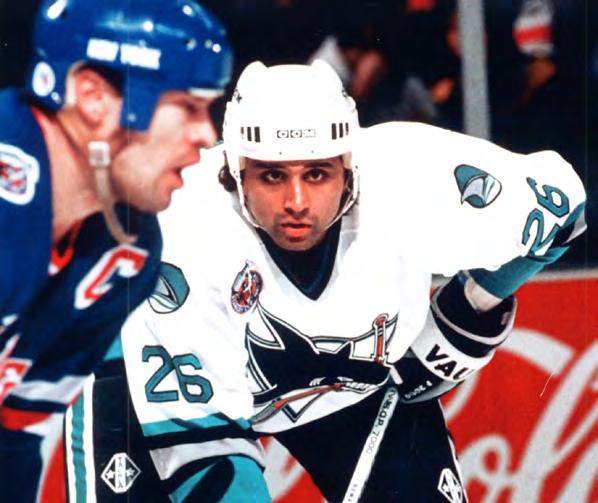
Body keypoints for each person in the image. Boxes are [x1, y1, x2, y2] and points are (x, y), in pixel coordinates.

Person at [78, 60, 584, 502]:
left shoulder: (412, 176)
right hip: (147, 391)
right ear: (234, 171)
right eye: (272, 175)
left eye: (317, 173)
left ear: (350, 167)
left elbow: (562, 206)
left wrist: (471, 305)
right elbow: (207, 454)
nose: (297, 202)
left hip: (349, 388)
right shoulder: (179, 228)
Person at [0, 0, 232, 500]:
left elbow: (13, 434)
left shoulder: (129, 251)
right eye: (188, 106)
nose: (207, 135)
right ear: (93, 98)